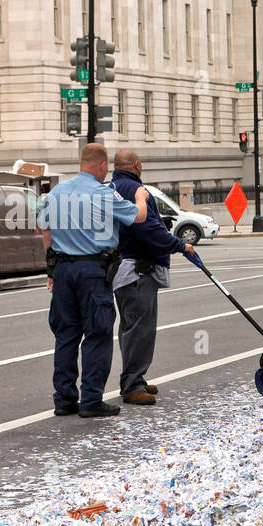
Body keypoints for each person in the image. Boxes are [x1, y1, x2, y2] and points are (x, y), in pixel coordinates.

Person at [42, 143, 148, 418]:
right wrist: (140, 197)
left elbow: (44, 227)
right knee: (98, 335)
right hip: (93, 271)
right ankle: (91, 400)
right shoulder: (104, 194)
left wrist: (51, 267)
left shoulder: (57, 192)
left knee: (66, 335)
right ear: (102, 166)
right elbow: (138, 217)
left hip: (64, 271)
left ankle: (64, 400)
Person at [109, 151, 195, 405]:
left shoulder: (112, 187)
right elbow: (147, 228)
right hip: (138, 270)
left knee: (129, 328)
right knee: (140, 330)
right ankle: (133, 384)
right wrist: (180, 245)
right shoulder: (137, 190)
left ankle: (134, 378)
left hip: (121, 270)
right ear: (136, 164)